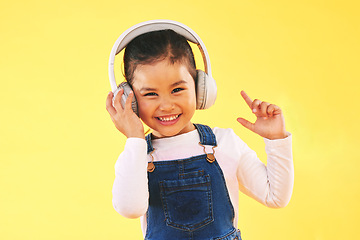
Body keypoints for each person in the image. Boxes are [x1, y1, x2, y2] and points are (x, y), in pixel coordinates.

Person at [106, 23, 294, 240]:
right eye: (150, 94)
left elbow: (276, 197)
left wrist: (276, 139)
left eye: (177, 89)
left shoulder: (224, 143)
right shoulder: (136, 156)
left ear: (200, 88)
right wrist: (135, 139)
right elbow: (130, 208)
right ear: (130, 100)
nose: (166, 105)